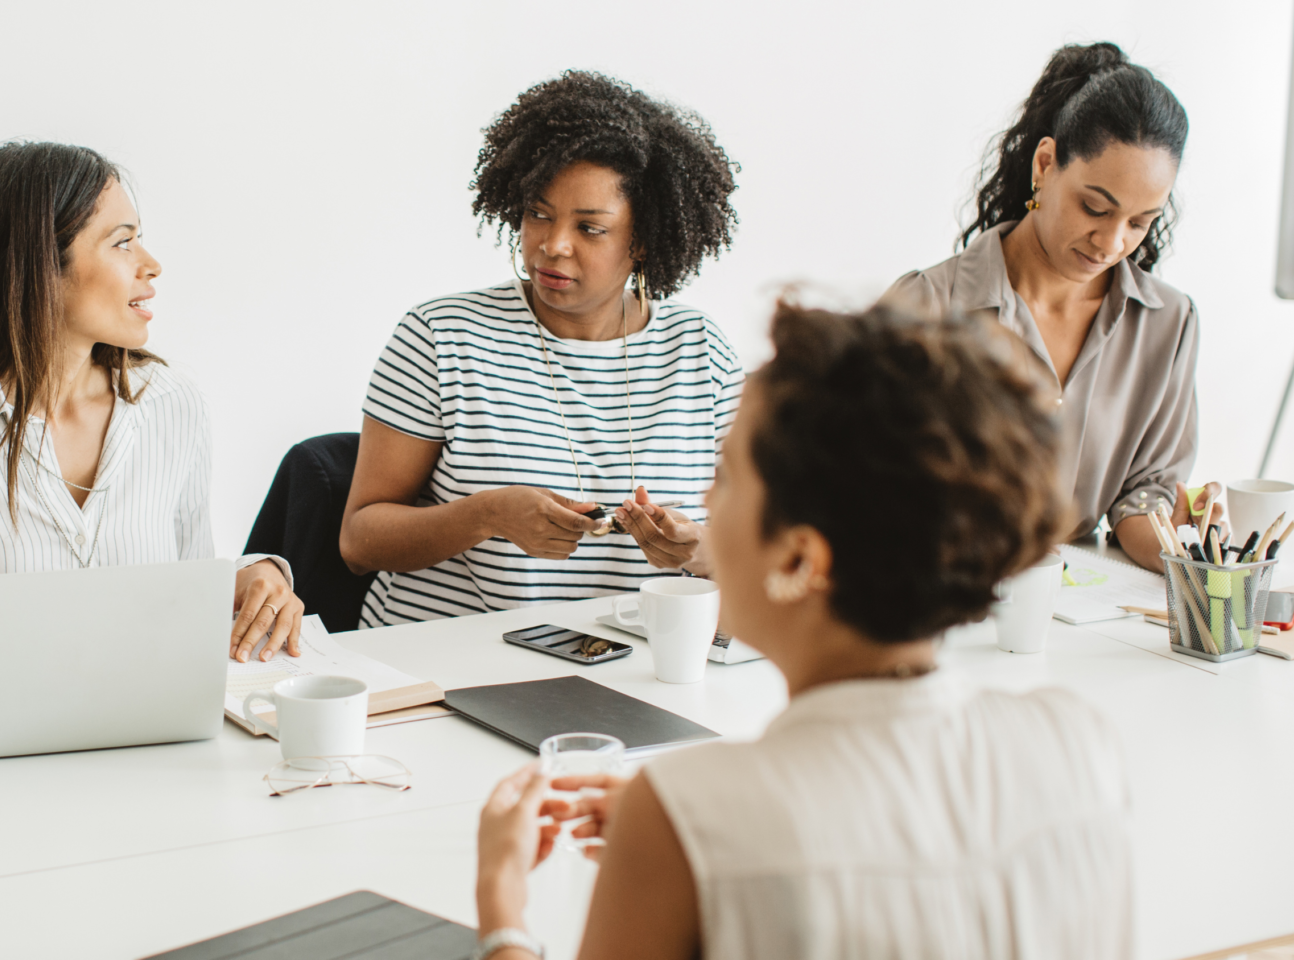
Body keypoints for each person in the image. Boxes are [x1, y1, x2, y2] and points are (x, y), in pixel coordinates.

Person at [472, 301, 1131, 959]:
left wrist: (502, 903)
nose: (703, 502)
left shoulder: (678, 813)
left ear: (798, 559)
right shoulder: (1080, 744)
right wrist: (690, 830)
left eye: (725, 476)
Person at [0, 141, 303, 693]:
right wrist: (26, 671)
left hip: (151, 740)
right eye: (123, 243)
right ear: (39, 268)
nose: (151, 265)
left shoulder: (172, 404)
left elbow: (184, 586)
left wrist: (248, 578)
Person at [340, 71, 742, 627]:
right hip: (446, 668)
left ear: (644, 239)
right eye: (539, 213)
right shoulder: (442, 335)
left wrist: (698, 550)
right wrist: (488, 515)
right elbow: (360, 541)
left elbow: (759, 546)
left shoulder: (702, 352)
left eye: (590, 228)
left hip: (634, 671)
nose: (552, 245)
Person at [885, 41, 1214, 572]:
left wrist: (1188, 545)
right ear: (1045, 164)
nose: (1110, 243)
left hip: (1082, 605)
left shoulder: (1168, 324)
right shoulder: (928, 306)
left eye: (1140, 222)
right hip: (934, 587)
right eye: (1095, 207)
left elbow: (1143, 495)